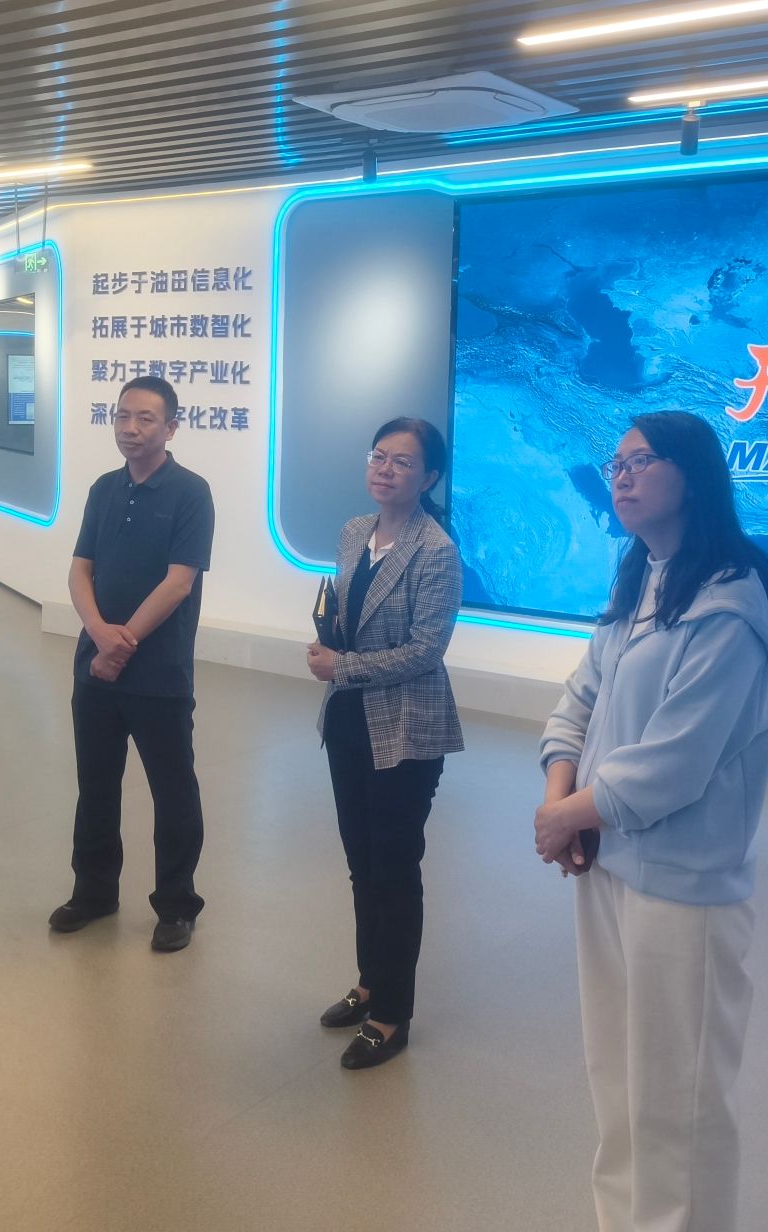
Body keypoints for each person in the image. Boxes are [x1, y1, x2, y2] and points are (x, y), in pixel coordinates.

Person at [533, 410, 768, 1232]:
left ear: (693, 476)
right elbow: (579, 699)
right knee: (617, 1081)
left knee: (678, 1104)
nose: (622, 475)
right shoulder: (642, 579)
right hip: (608, 865)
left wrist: (567, 818)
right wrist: (559, 800)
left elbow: (674, 763)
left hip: (682, 888)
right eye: (616, 462)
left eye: (642, 460)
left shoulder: (730, 604)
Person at [305, 417, 463, 1070]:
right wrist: (329, 641)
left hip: (407, 728)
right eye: (379, 456)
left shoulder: (437, 550)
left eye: (402, 462)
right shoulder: (353, 532)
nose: (385, 469)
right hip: (348, 718)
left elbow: (426, 651)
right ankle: (370, 982)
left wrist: (342, 665)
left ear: (429, 478)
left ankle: (392, 1015)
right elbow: (349, 614)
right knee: (361, 863)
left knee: (394, 871)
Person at [55, 375, 216, 953]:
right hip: (94, 669)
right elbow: (80, 569)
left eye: (146, 418)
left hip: (159, 675)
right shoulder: (104, 488)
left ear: (171, 427)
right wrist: (100, 636)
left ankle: (176, 905)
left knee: (173, 792)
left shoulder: (191, 493)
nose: (130, 428)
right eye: (122, 416)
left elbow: (178, 583)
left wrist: (121, 645)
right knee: (95, 786)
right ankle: (94, 892)